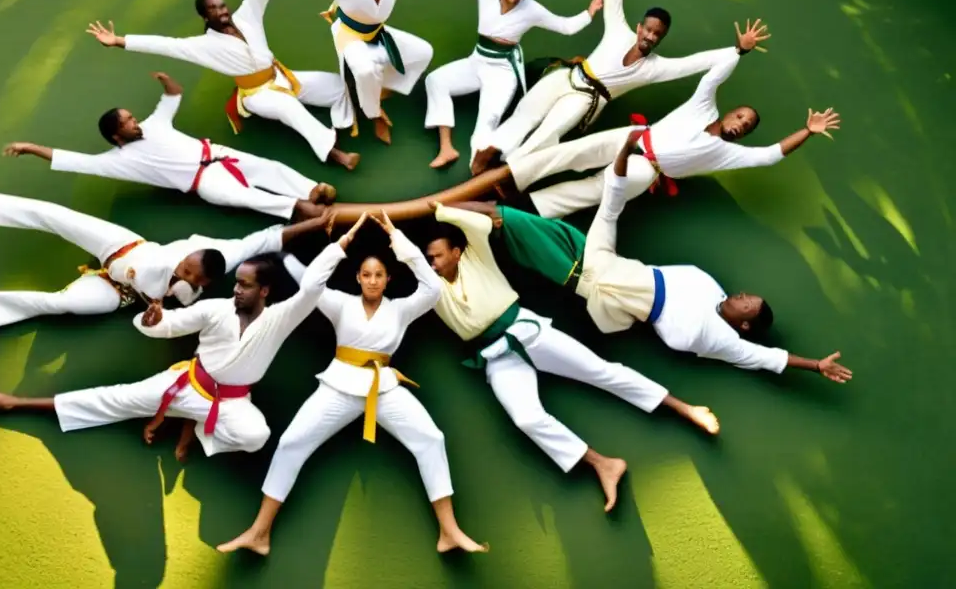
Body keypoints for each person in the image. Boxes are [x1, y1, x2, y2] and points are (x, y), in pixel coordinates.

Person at [422, 203, 720, 514]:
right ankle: (603, 464)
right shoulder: (431, 287)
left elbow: (481, 221)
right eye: (428, 259)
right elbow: (410, 261)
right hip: (495, 355)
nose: (432, 264)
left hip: (527, 331)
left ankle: (685, 408)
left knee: (600, 371)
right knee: (526, 417)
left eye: (437, 256)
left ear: (456, 252)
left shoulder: (476, 255)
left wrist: (440, 209)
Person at [219, 212, 486, 556]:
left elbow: (433, 287)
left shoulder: (402, 310)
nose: (372, 281)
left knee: (431, 439)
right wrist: (342, 243)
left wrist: (397, 237)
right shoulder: (339, 303)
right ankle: (259, 533)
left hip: (384, 389)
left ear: (388, 279)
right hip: (337, 388)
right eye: (366, 275)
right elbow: (312, 283)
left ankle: (449, 532)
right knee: (291, 443)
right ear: (358, 278)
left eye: (379, 275)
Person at [536, 130, 853, 380]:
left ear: (744, 325)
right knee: (609, 206)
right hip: (621, 267)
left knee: (561, 257)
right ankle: (621, 154)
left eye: (746, 302)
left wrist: (815, 365)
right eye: (746, 295)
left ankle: (517, 228)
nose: (741, 294)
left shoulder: (723, 341)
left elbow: (769, 358)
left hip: (615, 297)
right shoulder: (709, 286)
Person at [0, 247, 343, 460]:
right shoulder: (216, 309)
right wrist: (153, 320)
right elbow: (172, 323)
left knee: (256, 436)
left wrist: (340, 245)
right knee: (114, 399)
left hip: (230, 403)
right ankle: (17, 403)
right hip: (186, 384)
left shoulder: (280, 318)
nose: (236, 290)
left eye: (244, 285)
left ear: (265, 291)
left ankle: (194, 425)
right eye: (235, 283)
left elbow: (311, 289)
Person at [470, 0, 759, 174]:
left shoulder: (656, 67)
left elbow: (697, 62)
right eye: (648, 29)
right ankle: (489, 152)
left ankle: (509, 172)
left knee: (549, 134)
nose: (650, 35)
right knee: (526, 112)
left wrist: (738, 50)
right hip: (569, 76)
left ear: (661, 38)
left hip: (588, 100)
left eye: (657, 34)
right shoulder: (619, 31)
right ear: (639, 27)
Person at [502, 25, 841, 217]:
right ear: (729, 112)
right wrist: (739, 52)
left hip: (647, 170)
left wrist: (807, 132)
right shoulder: (704, 108)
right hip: (634, 136)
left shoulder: (727, 153)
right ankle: (509, 178)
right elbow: (712, 77)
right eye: (740, 116)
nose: (741, 124)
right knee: (568, 153)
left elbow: (770, 155)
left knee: (588, 192)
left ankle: (520, 212)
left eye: (747, 126)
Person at [85, 0, 359, 170]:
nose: (223, 10)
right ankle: (335, 154)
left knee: (337, 85)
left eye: (223, 5)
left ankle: (345, 120)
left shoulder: (247, 16)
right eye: (215, 9)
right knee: (289, 108)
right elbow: (163, 44)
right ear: (205, 15)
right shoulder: (202, 46)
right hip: (257, 96)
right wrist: (120, 40)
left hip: (283, 78)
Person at [0, 178, 330, 330]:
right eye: (185, 265)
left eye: (189, 275)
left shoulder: (224, 260)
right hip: (120, 247)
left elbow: (267, 239)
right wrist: (316, 223)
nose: (182, 271)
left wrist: (156, 313)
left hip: (117, 291)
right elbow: (272, 234)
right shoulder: (188, 255)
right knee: (58, 217)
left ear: (204, 281)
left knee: (59, 304)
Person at [240, 0, 475, 144]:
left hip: (376, 33)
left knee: (422, 52)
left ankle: (378, 87)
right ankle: (374, 114)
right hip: (349, 36)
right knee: (364, 70)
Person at [0, 71, 332, 223]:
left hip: (215, 154)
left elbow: (173, 96)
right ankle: (297, 208)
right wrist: (30, 147)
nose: (134, 122)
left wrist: (167, 82)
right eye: (127, 122)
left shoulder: (155, 124)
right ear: (117, 136)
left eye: (131, 117)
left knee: (268, 167)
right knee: (242, 196)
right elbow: (72, 161)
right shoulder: (119, 160)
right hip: (205, 182)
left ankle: (312, 189)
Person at [423, 0, 603, 168]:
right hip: (476, 62)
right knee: (435, 80)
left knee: (486, 123)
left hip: (502, 73)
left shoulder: (530, 9)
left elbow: (564, 26)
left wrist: (589, 13)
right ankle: (446, 147)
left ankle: (476, 172)